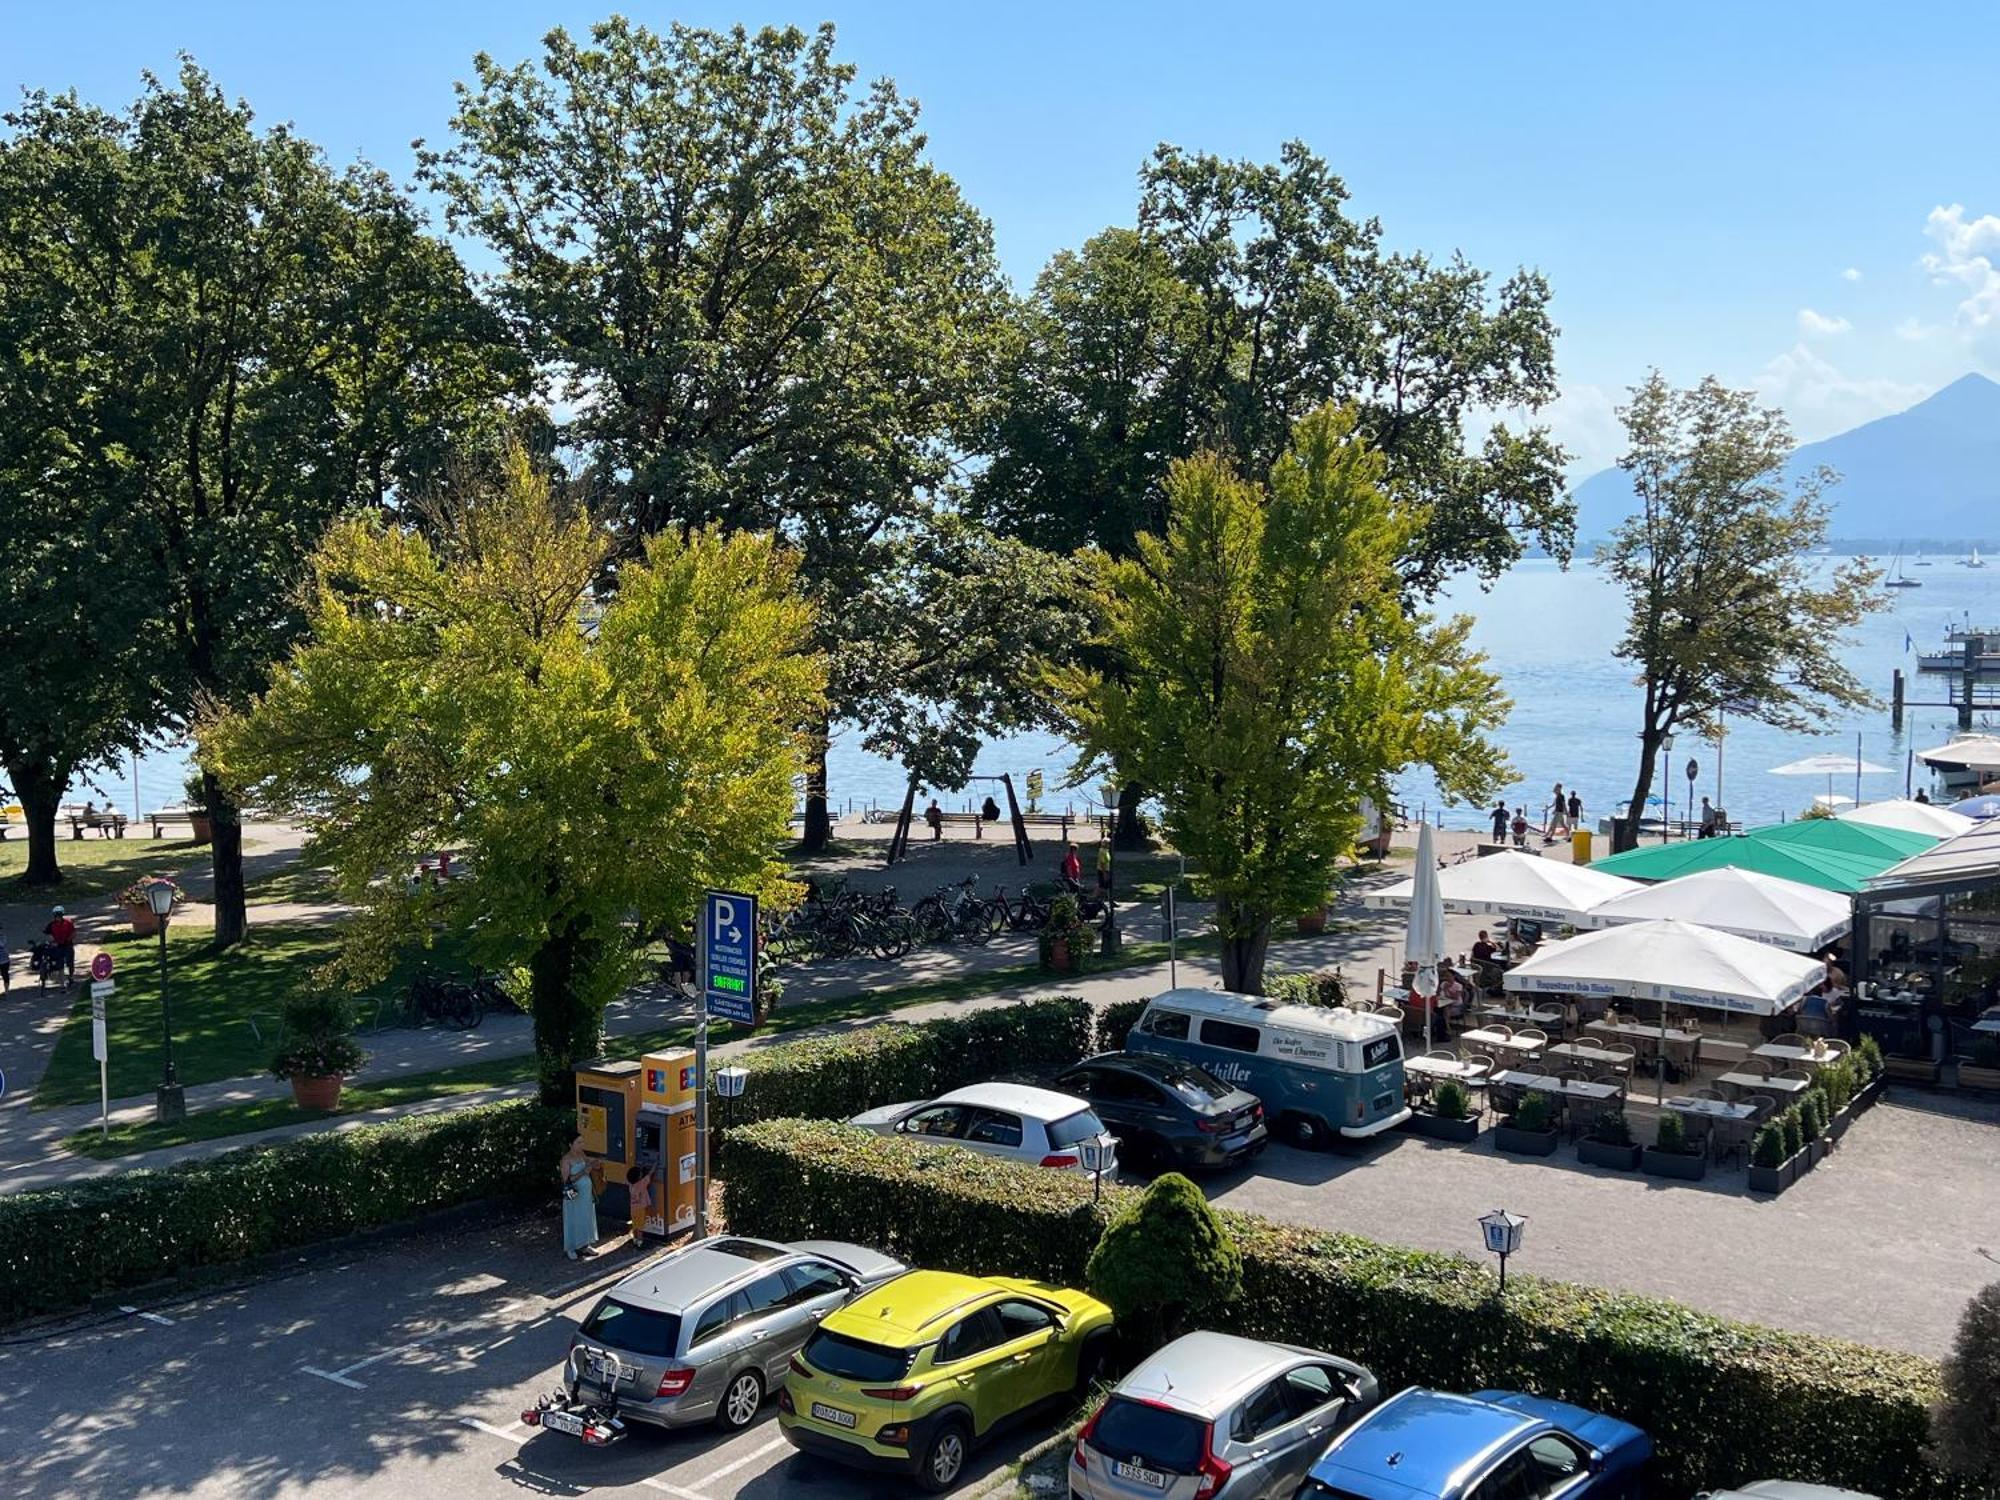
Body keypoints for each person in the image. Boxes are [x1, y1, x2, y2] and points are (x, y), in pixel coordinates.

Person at [559, 1135, 597, 1260]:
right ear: (571, 1144)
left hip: (585, 1194)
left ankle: (585, 1244)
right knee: (573, 1218)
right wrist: (583, 1172)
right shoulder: (566, 1159)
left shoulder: (582, 1154)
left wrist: (594, 1164)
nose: (581, 1145)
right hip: (574, 1194)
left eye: (582, 1142)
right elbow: (566, 1180)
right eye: (578, 1142)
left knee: (586, 1217)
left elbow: (588, 1163)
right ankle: (571, 1247)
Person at [44, 905, 76, 983]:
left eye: (59, 915)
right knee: (60, 963)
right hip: (58, 946)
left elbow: (73, 933)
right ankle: (62, 982)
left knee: (70, 962)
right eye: (56, 915)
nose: (58, 917)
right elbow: (47, 933)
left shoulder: (68, 922)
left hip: (67, 945)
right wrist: (52, 941)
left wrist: (68, 939)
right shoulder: (51, 925)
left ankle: (71, 976)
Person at [626, 1162, 655, 1246]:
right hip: (640, 1209)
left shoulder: (631, 1185)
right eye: (640, 1173)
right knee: (640, 1227)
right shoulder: (641, 1184)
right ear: (639, 1177)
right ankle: (640, 1242)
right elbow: (650, 1174)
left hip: (633, 1208)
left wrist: (641, 1167)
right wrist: (655, 1165)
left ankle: (635, 1240)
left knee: (635, 1225)